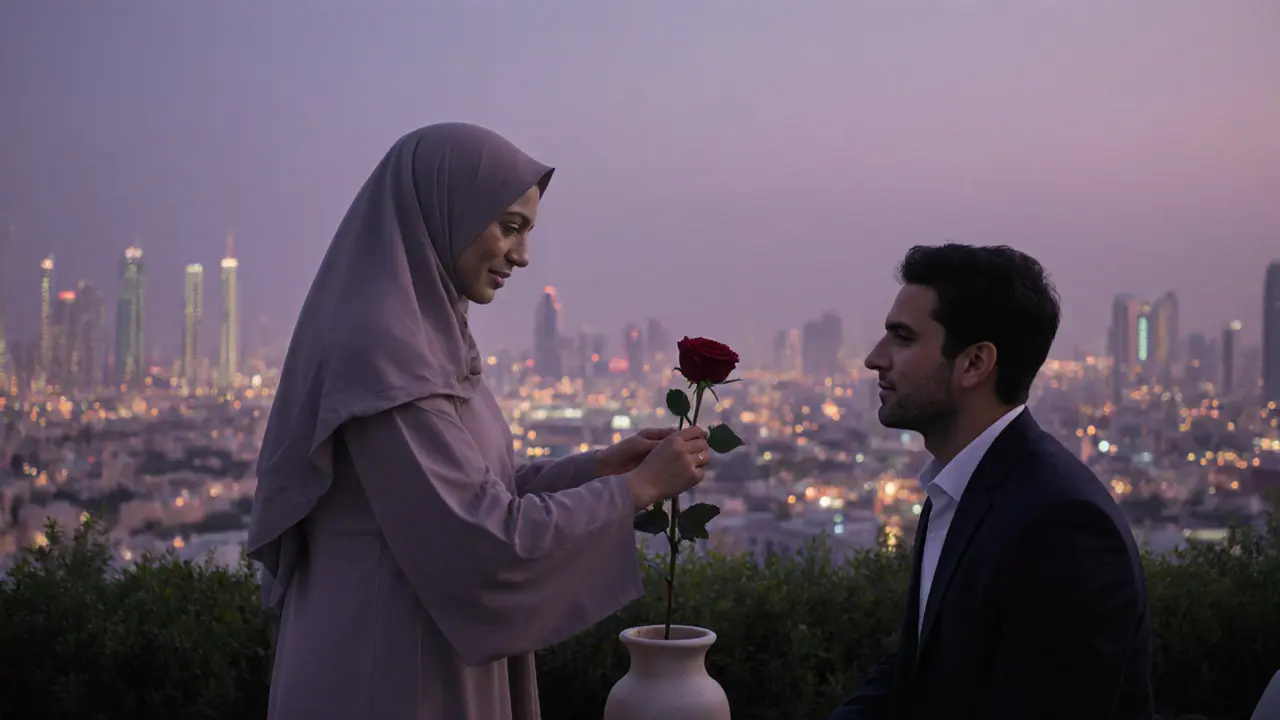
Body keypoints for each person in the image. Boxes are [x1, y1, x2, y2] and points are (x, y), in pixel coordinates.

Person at [246, 122, 710, 720]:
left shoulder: (426, 337)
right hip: (387, 669)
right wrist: (636, 489)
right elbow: (482, 538)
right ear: (446, 210)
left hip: (420, 648)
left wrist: (599, 468)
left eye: (527, 231)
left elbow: (475, 489)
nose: (522, 255)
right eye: (508, 227)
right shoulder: (385, 352)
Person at [827, 244, 1153, 720]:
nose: (875, 359)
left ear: (975, 363)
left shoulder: (1061, 525)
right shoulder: (961, 486)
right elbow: (920, 669)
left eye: (902, 337)